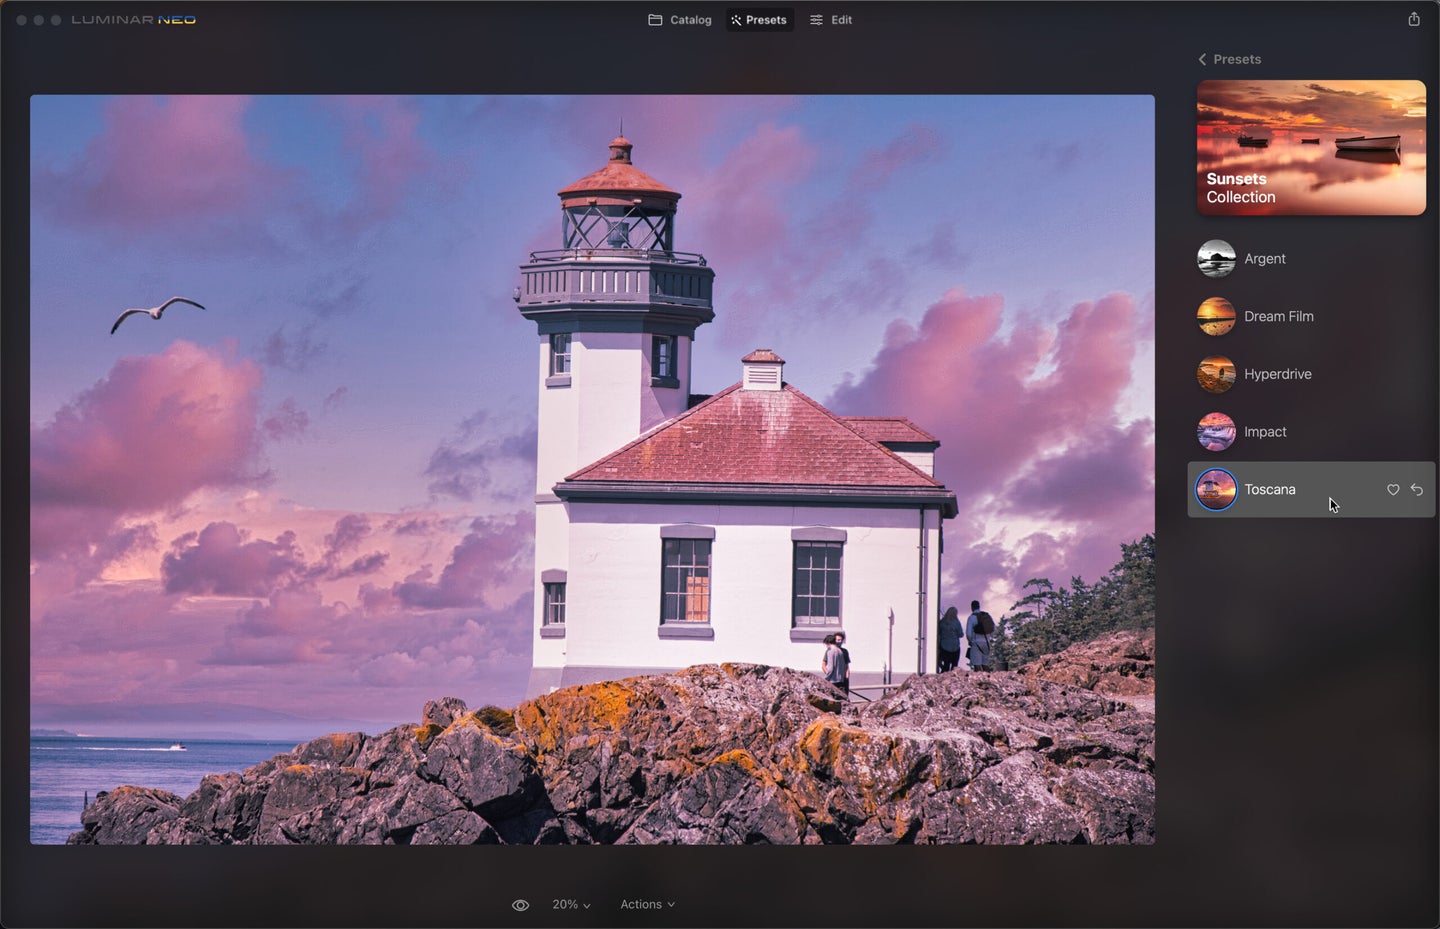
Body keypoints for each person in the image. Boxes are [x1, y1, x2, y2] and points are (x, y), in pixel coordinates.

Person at [965, 599, 993, 672]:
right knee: (985, 664)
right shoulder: (987, 616)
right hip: (987, 642)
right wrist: (989, 637)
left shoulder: (971, 618)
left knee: (977, 665)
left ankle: (979, 681)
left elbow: (968, 633)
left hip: (976, 643)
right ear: (979, 606)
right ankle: (988, 679)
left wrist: (970, 641)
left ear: (972, 607)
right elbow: (994, 629)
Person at [937, 606, 963, 672]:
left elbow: (938, 633)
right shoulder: (957, 622)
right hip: (955, 647)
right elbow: (961, 634)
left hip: (944, 646)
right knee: (954, 666)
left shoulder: (942, 622)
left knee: (946, 664)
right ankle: (953, 679)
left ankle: (943, 678)